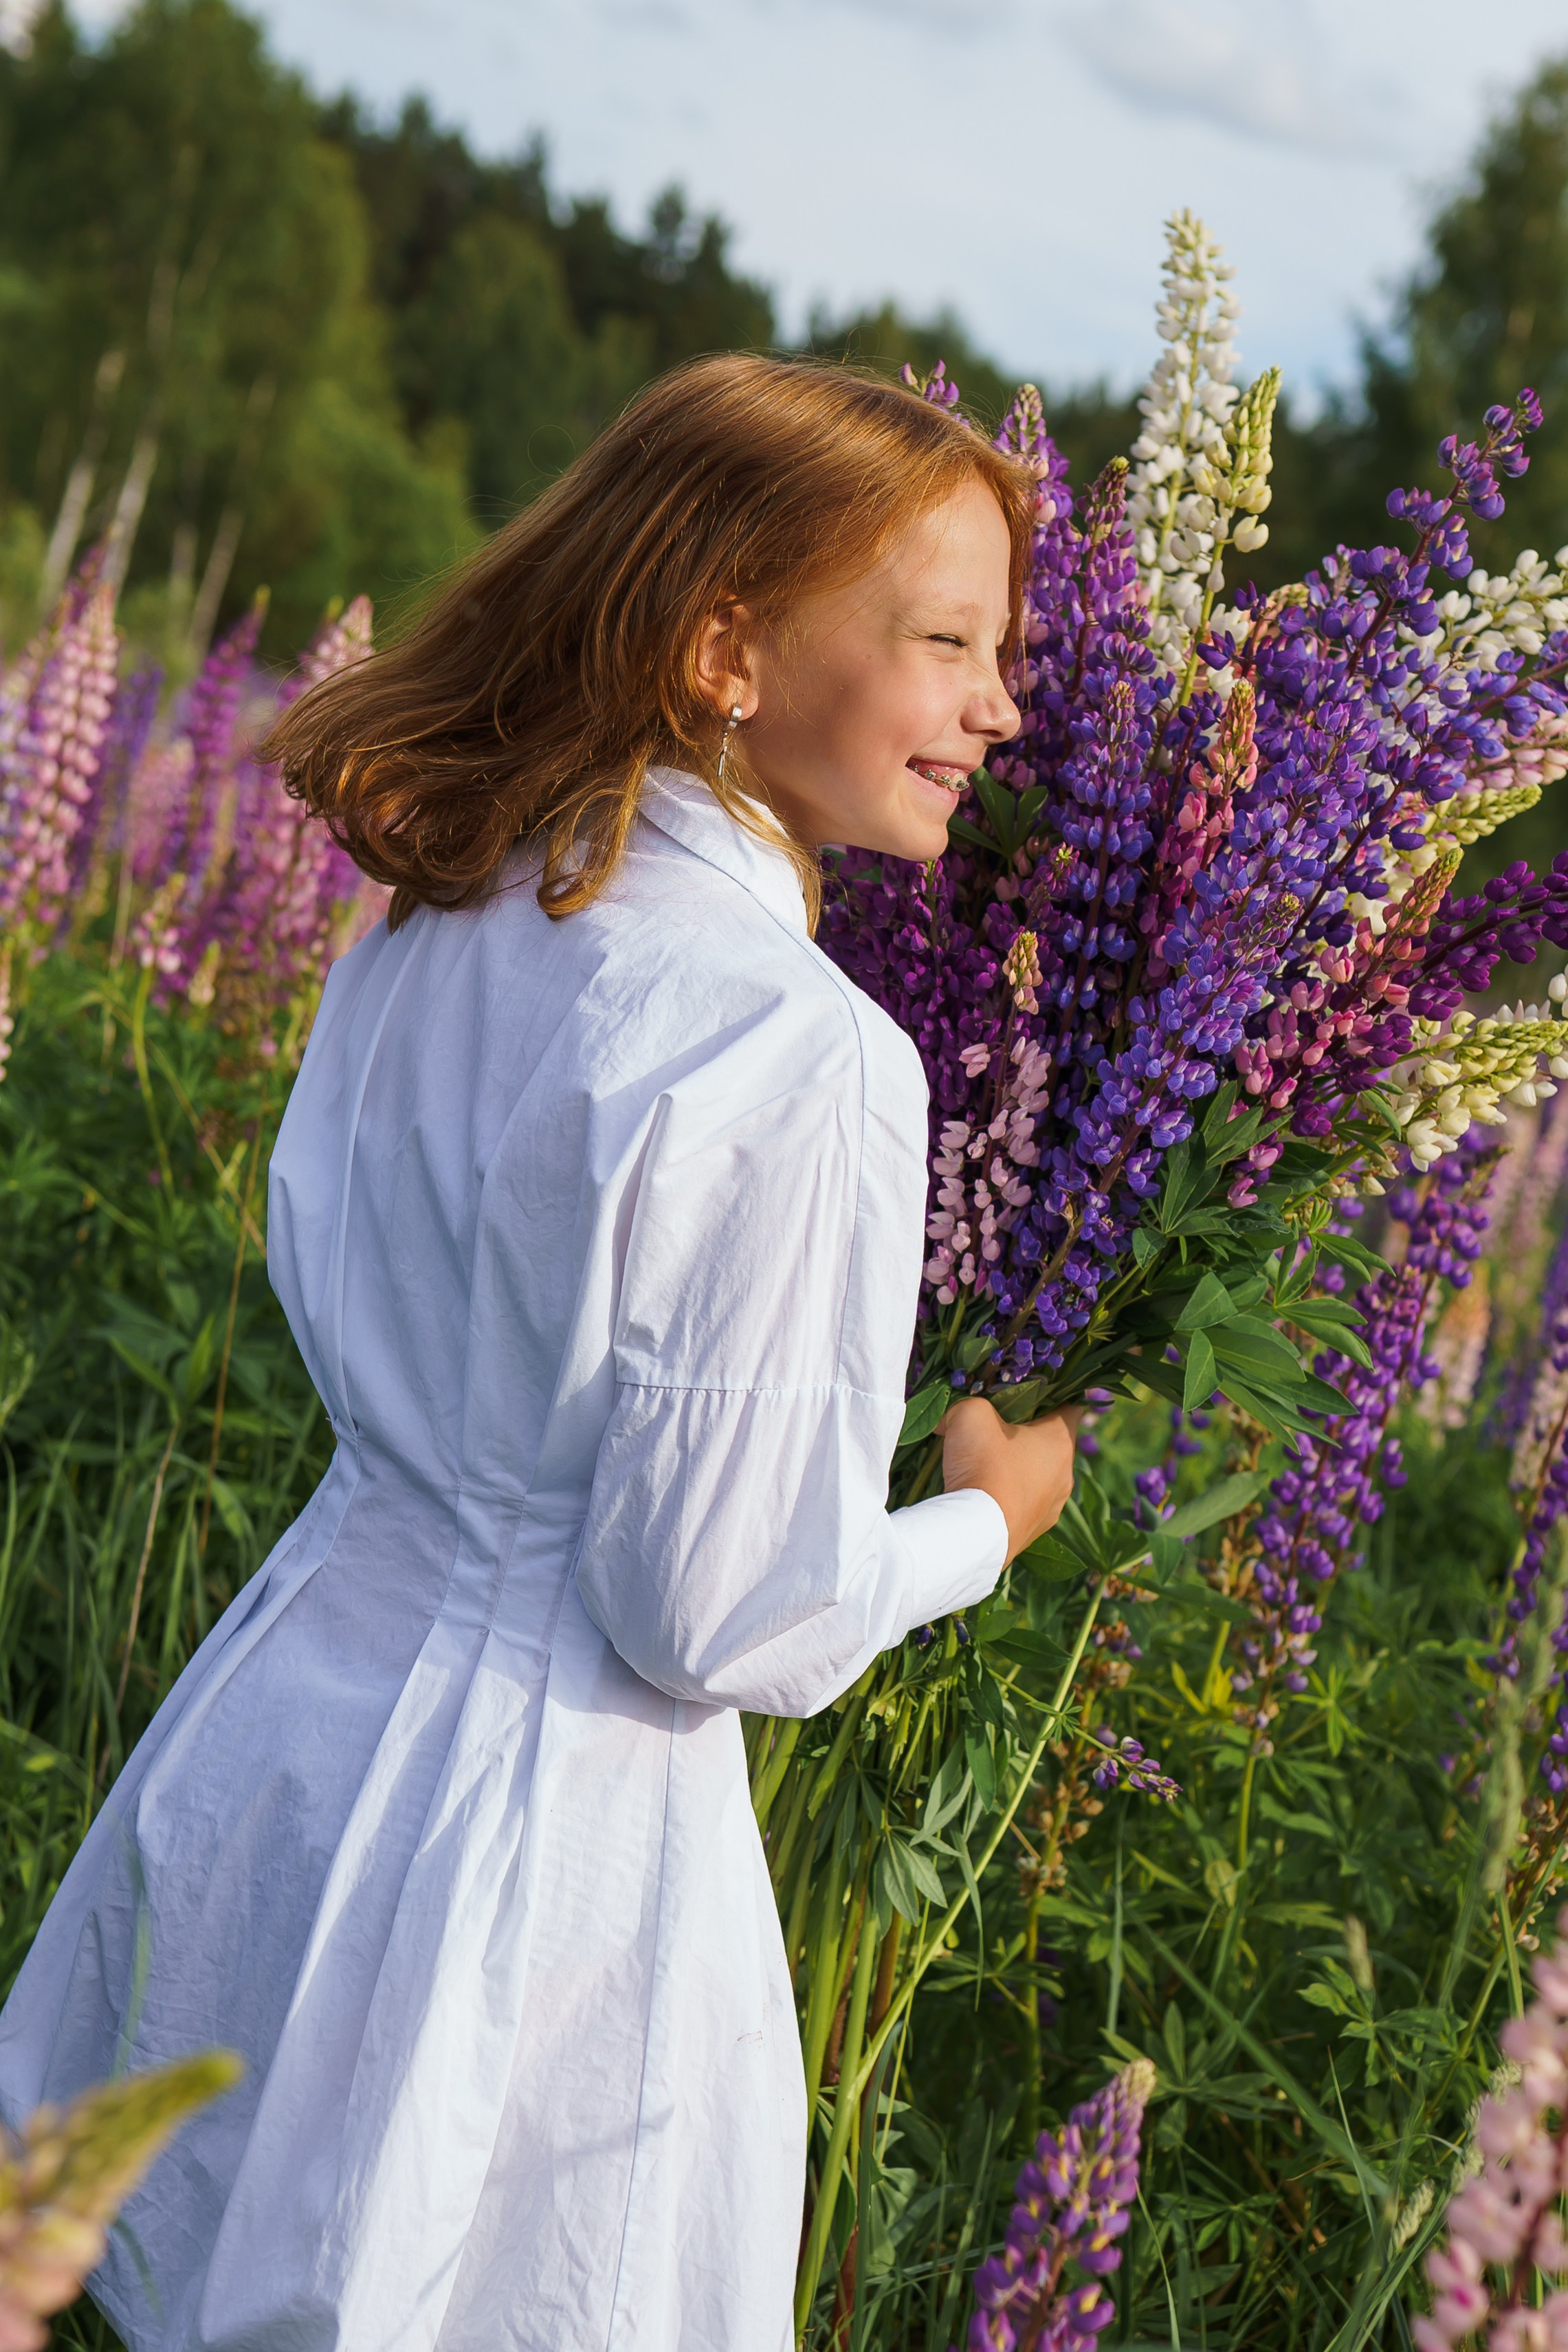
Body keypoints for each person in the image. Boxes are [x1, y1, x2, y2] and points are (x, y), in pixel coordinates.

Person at [0, 355, 1079, 2351]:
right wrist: (980, 1529)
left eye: (996, 652)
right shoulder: (803, 1049)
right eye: (945, 643)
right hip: (530, 1864)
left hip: (271, 1752)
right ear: (723, 650)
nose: (1000, 705)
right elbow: (715, 1613)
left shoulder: (447, 909)